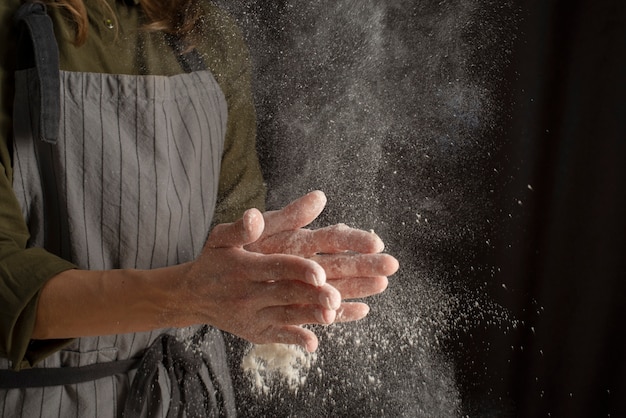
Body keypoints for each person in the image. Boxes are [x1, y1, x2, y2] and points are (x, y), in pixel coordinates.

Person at [0, 0, 398, 416]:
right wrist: (187, 297)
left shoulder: (201, 32)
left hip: (189, 400)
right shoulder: (11, 24)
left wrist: (266, 270)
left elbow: (232, 225)